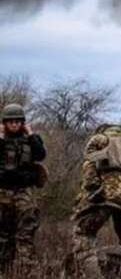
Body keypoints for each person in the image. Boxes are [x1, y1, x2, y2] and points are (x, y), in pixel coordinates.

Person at [70, 124, 121, 278]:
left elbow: (89, 164)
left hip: (108, 193)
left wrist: (94, 190)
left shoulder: (102, 139)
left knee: (84, 234)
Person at [0, 103, 47, 271]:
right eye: (10, 121)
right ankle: (4, 269)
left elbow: (41, 154)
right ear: (5, 123)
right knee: (3, 234)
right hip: (3, 191)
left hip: (24, 191)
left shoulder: (30, 140)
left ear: (22, 123)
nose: (14, 124)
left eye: (17, 121)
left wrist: (31, 134)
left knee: (26, 231)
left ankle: (26, 270)